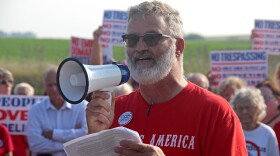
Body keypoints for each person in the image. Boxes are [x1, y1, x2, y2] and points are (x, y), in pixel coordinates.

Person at [86, 1, 247, 155]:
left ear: (178, 47)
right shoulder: (113, 110)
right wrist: (95, 138)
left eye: (152, 38)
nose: (140, 47)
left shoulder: (215, 112)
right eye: (132, 40)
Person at [27, 66, 88, 156]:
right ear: (44, 87)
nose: (53, 89)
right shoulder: (35, 110)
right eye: (50, 85)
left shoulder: (82, 106)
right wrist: (72, 144)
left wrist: (53, 134)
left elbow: (86, 136)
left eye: (57, 84)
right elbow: (35, 144)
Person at [230, 87, 279, 156]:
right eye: (240, 108)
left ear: (258, 108)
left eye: (248, 107)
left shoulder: (267, 133)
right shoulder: (231, 131)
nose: (244, 112)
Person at [0, 68, 30, 156]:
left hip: (21, 151)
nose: (8, 84)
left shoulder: (20, 104)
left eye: (10, 81)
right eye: (3, 82)